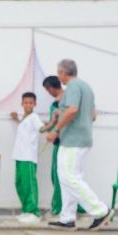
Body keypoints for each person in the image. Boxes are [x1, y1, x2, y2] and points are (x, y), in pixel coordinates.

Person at [45, 59, 111, 230]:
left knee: (69, 177)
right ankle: (67, 218)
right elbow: (93, 115)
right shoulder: (86, 87)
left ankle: (100, 210)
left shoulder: (73, 87)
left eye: (59, 72)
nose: (59, 76)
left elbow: (73, 110)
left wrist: (57, 129)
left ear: (62, 73)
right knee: (68, 177)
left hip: (72, 140)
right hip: (81, 138)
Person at [10, 92, 44, 223]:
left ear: (35, 104)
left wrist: (52, 124)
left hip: (28, 157)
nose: (28, 105)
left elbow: (41, 128)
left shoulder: (35, 117)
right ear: (22, 104)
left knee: (29, 185)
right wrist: (16, 119)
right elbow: (25, 127)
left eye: (31, 103)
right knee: (20, 184)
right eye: (26, 103)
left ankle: (34, 212)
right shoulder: (25, 118)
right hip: (19, 156)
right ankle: (26, 210)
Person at [40, 75, 65, 215]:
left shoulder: (61, 103)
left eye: (47, 90)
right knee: (61, 176)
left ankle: (58, 208)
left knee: (58, 176)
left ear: (50, 88)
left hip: (62, 144)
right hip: (62, 143)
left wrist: (51, 128)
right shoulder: (58, 103)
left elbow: (55, 124)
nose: (48, 93)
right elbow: (51, 123)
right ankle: (69, 208)